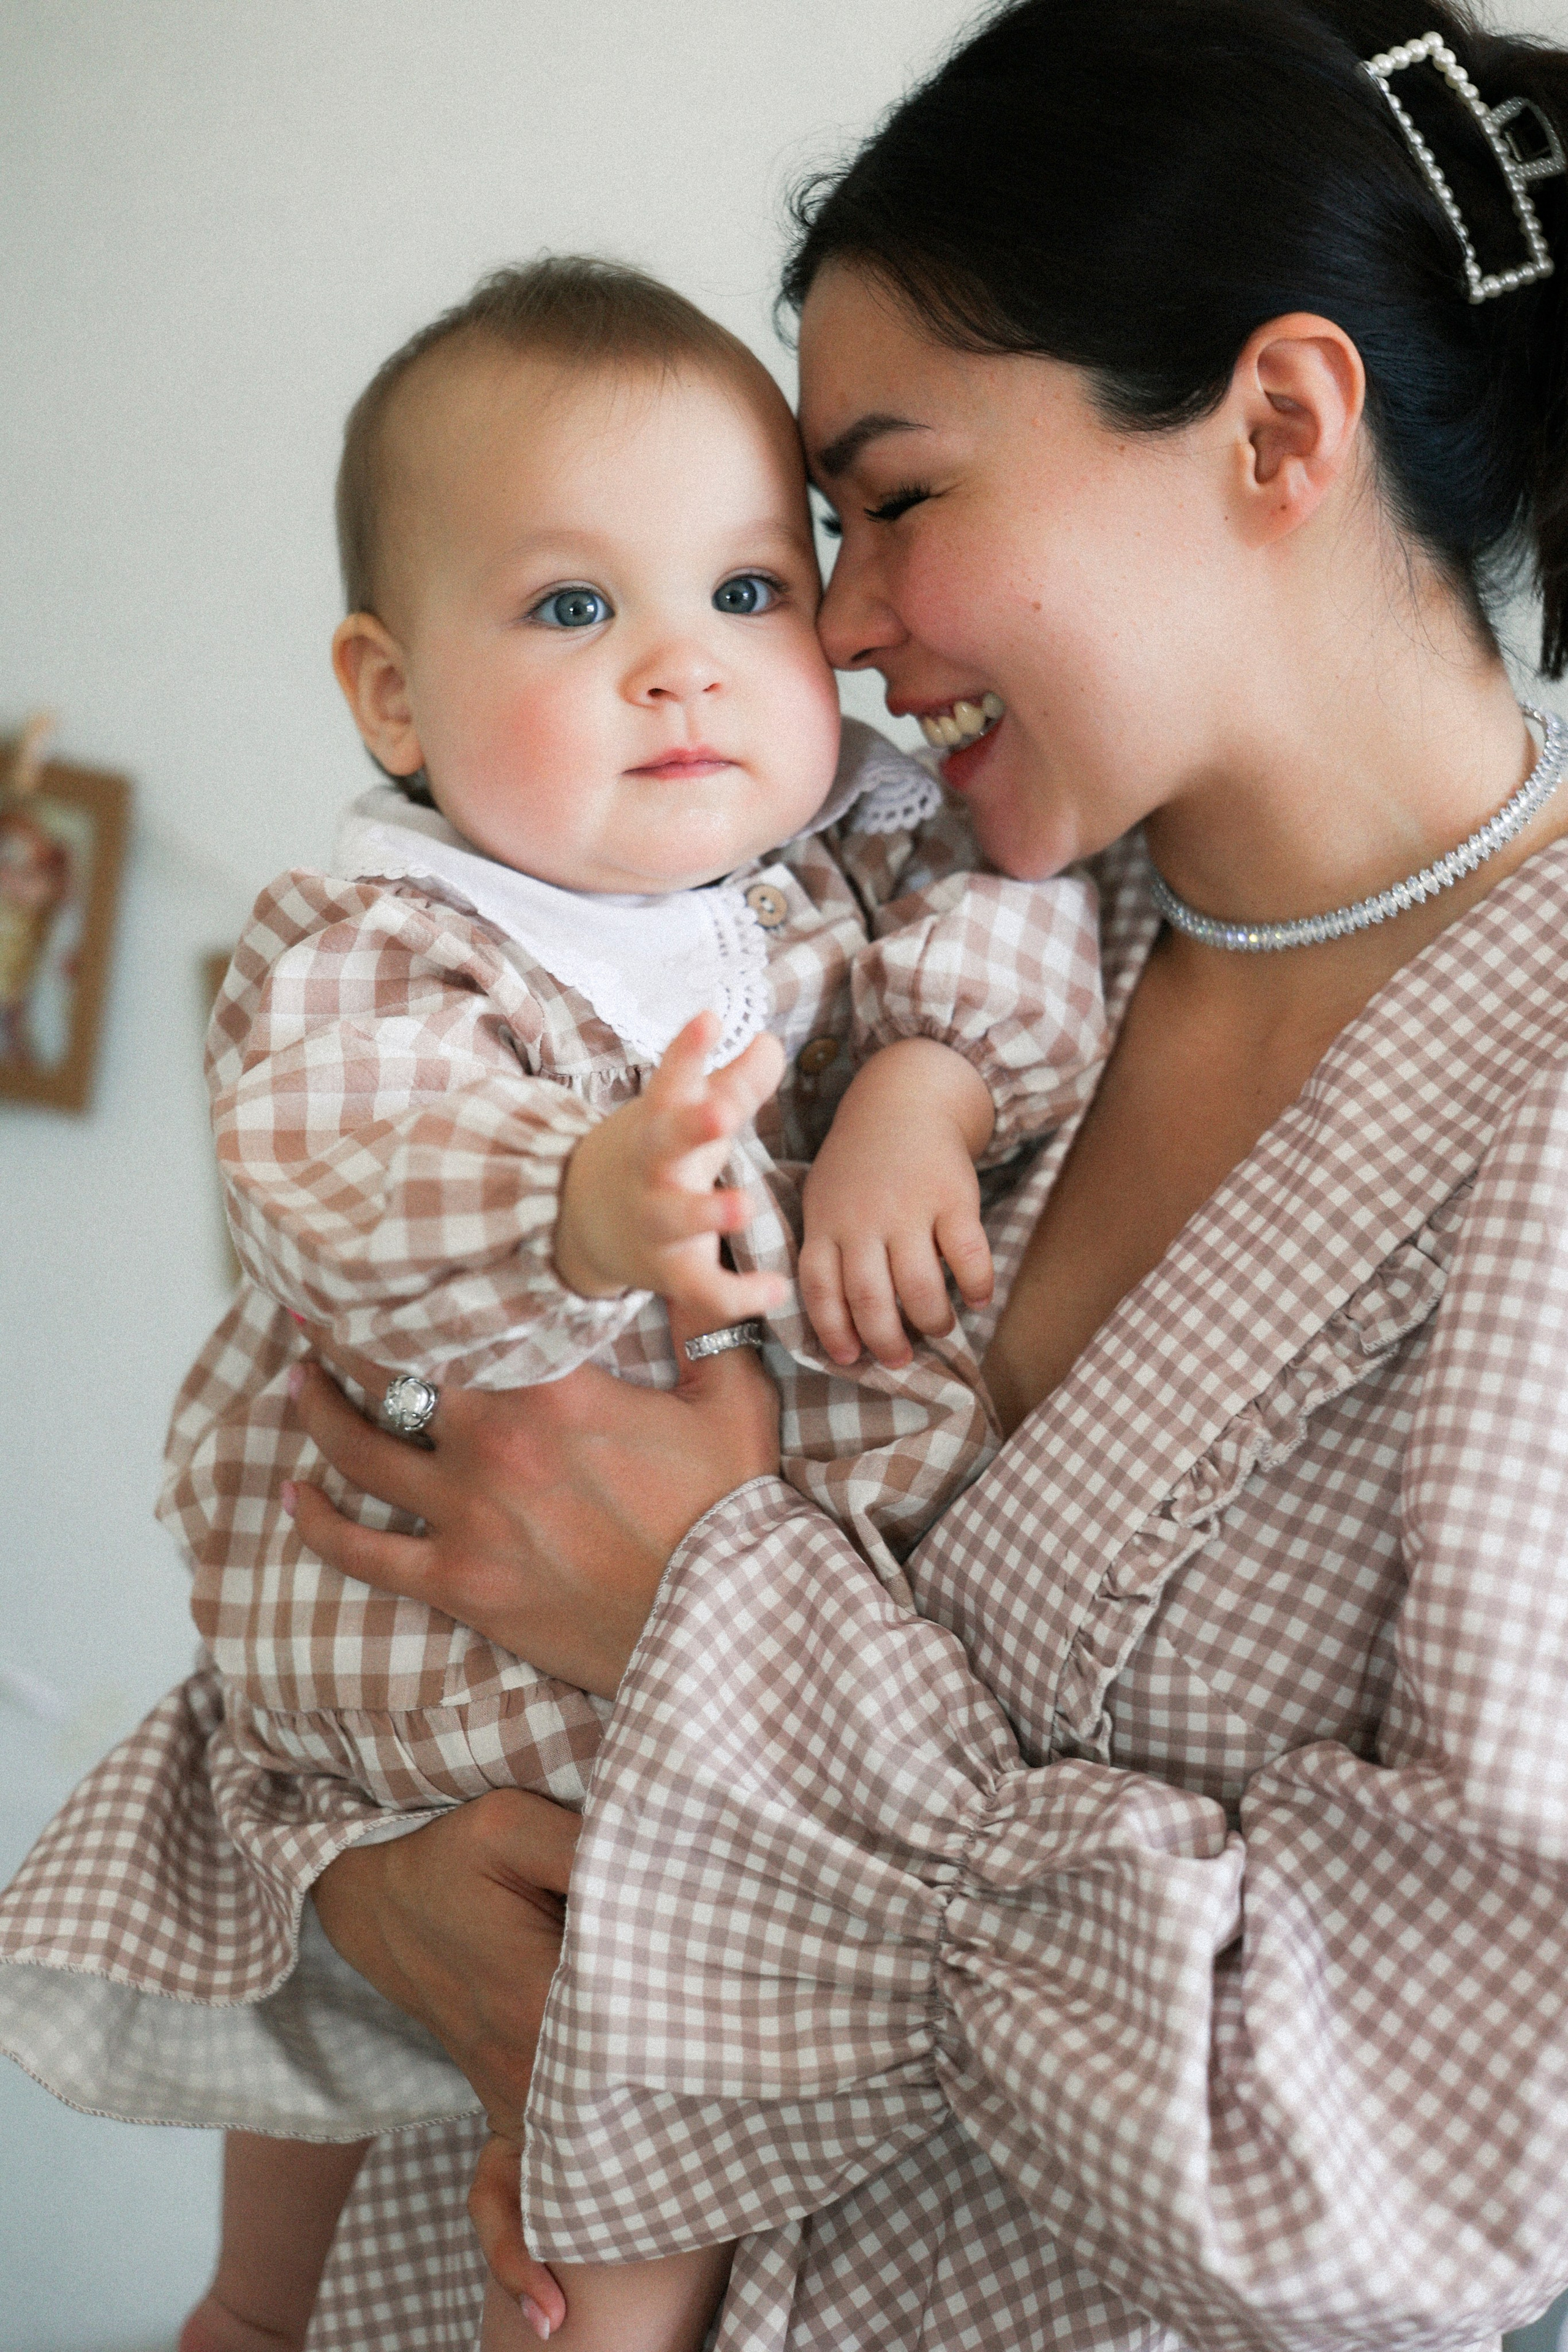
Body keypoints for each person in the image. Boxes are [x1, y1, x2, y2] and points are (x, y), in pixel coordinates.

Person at [9, 0, 1568, 2343]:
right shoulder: (870, 929)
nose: (826, 633)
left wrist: (708, 1624)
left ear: (1279, 424)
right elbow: (367, 1552)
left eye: (898, 501)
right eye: (811, 542)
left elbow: (1442, 2171)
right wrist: (367, 1886)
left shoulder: (1529, 1103)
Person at [154, 252, 1102, 2352]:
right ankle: (254, 2300)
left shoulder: (870, 861)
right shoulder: (388, 932)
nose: (683, 669)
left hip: (684, 1626)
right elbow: (326, 1155)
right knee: (436, 1912)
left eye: (750, 595)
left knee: (604, 1995)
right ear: (394, 698)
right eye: (577, 610)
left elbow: (1036, 933)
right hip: (418, 1620)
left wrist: (924, 1101)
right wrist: (575, 1200)